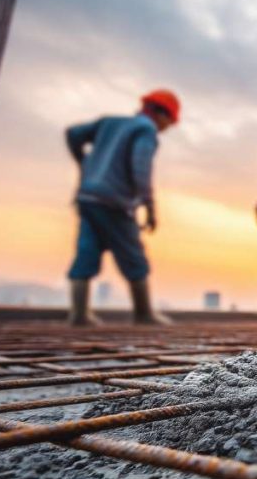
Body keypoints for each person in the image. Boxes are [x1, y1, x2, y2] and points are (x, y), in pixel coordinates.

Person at [65, 89, 180, 327]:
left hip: (88, 198)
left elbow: (72, 135)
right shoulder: (145, 130)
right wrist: (149, 207)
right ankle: (143, 313)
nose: (167, 128)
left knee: (86, 252)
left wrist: (83, 163)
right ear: (161, 114)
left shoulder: (110, 123)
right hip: (115, 202)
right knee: (134, 257)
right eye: (169, 122)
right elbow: (141, 168)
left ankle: (78, 314)